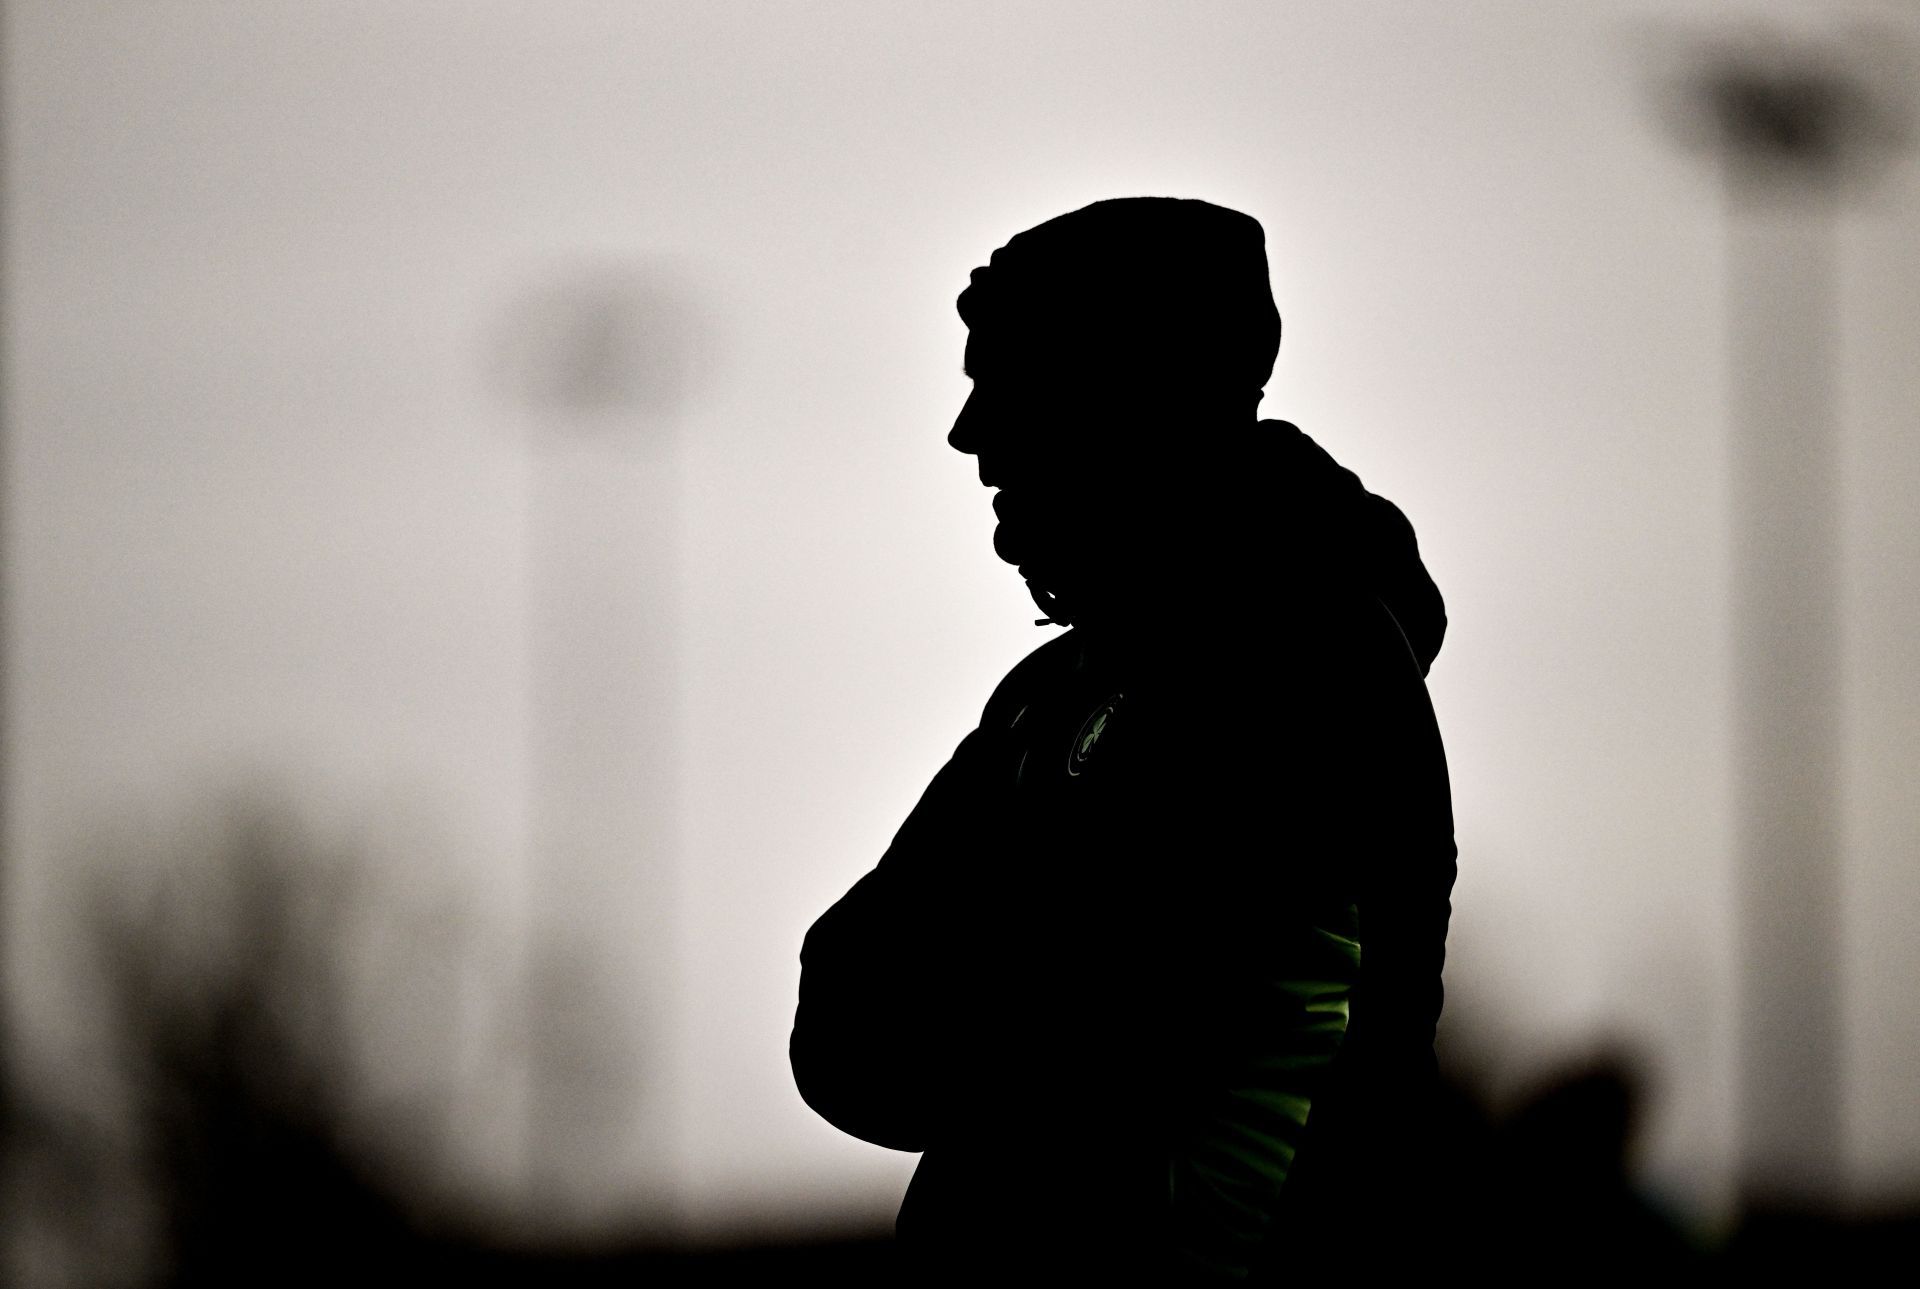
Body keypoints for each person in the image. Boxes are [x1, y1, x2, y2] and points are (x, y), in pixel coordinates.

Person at [789, 197, 1457, 1283]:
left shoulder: (1300, 659)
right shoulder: (1054, 695)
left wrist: (1004, 993)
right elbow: (845, 1024)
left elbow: (1156, 1021)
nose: (967, 432)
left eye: (1004, 380)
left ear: (1123, 392)